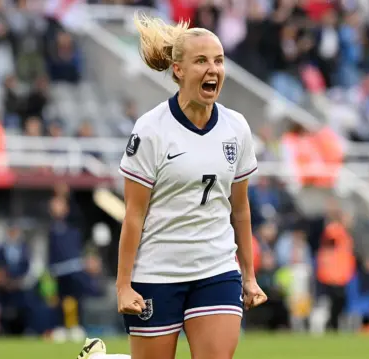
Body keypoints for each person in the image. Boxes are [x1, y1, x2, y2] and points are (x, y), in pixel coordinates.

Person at [77, 13, 267, 359]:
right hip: (158, 271)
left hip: (216, 269)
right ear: (178, 70)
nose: (213, 69)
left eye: (219, 61)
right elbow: (134, 215)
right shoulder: (151, 130)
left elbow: (240, 208)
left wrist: (249, 276)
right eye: (201, 61)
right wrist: (123, 286)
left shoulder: (236, 128)